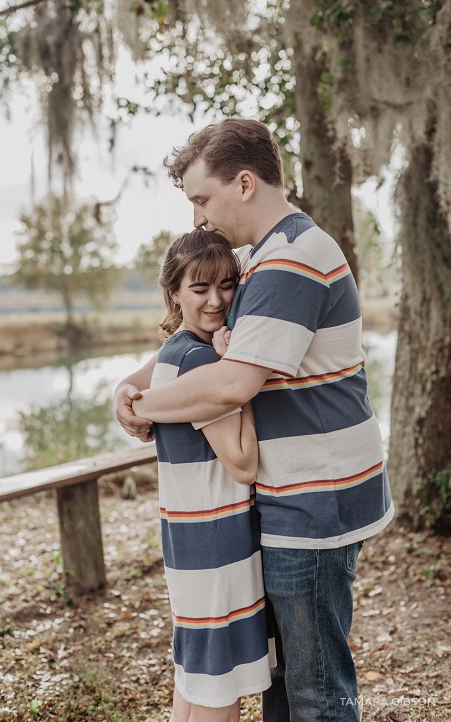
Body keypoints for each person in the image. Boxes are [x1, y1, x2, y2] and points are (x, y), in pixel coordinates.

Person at [114, 117, 393, 721]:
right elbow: (207, 342)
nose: (198, 219)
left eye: (201, 198)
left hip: (314, 499)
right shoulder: (262, 259)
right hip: (291, 494)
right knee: (284, 683)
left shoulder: (291, 260)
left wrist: (148, 407)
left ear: (244, 184)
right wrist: (132, 383)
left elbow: (235, 382)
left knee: (315, 691)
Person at [151, 228, 272, 722]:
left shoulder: (172, 353)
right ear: (174, 293)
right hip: (215, 544)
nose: (217, 300)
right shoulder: (201, 358)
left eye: (226, 285)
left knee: (196, 684)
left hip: (190, 544)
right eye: (199, 289)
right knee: (220, 698)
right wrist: (232, 369)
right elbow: (242, 462)